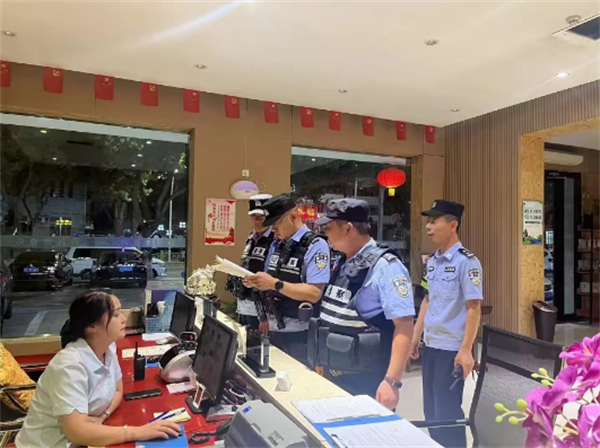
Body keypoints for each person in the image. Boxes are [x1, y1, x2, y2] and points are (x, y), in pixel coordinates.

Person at [16, 290, 181, 448]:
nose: (123, 319)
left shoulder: (108, 348)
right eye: (116, 315)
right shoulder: (69, 366)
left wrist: (102, 417)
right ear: (92, 326)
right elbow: (77, 433)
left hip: (84, 440)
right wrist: (138, 432)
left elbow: (118, 390)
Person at [315, 198, 414, 410]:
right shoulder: (342, 262)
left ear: (348, 229)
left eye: (329, 227)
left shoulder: (386, 266)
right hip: (335, 372)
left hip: (366, 378)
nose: (325, 234)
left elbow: (404, 325)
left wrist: (392, 382)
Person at [410, 200, 482, 448]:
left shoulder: (467, 262)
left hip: (451, 349)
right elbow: (427, 300)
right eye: (428, 222)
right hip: (431, 345)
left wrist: (466, 350)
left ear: (453, 225)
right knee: (431, 412)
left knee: (447, 413)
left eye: (434, 221)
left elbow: (474, 308)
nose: (428, 227)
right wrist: (416, 336)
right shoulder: (432, 261)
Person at [243, 194, 331, 365]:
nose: (273, 228)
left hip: (298, 335)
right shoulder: (277, 244)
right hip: (272, 328)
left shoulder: (316, 245)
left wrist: (275, 284)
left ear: (292, 216)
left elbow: (314, 293)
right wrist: (257, 282)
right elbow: (270, 278)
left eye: (276, 223)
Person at [226, 194, 274, 331]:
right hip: (245, 304)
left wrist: (264, 317)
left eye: (261, 216)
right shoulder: (251, 238)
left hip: (263, 309)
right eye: (254, 216)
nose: (257, 220)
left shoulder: (275, 240)